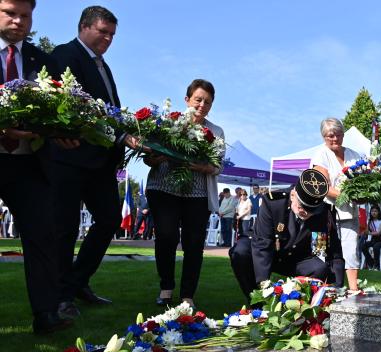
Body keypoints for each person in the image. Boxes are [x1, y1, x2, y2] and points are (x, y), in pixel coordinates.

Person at [47, 6, 141, 309]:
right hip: (70, 158)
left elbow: (108, 109)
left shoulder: (103, 66)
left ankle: (76, 282)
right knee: (65, 227)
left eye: (112, 34)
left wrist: (131, 133)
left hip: (100, 163)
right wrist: (119, 137)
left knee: (111, 218)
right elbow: (76, 108)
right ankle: (61, 296)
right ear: (84, 27)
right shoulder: (65, 56)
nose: (108, 39)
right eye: (103, 32)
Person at [0, 0, 77, 333]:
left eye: (25, 15)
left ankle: (46, 314)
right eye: (10, 13)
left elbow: (59, 109)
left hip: (30, 164)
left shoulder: (43, 63)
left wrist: (64, 133)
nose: (18, 20)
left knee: (43, 235)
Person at [145, 79, 225, 308]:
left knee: (194, 243)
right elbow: (149, 157)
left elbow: (217, 166)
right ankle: (166, 288)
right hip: (164, 189)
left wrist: (201, 166)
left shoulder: (216, 131)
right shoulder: (168, 122)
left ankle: (188, 294)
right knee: (167, 237)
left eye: (208, 102)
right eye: (198, 99)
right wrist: (158, 156)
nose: (202, 105)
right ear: (187, 100)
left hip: (197, 195)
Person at [229, 169, 345, 299]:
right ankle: (256, 303)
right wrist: (264, 287)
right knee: (240, 252)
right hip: (268, 250)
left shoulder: (322, 213)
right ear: (292, 195)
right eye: (302, 207)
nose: (305, 213)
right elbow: (263, 244)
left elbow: (325, 252)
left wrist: (338, 288)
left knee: (319, 267)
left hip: (296, 257)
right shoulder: (274, 203)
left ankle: (301, 305)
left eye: (311, 210)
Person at [311, 118, 365, 293]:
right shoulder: (321, 155)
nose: (335, 139)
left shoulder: (354, 155)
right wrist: (349, 195)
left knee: (351, 250)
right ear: (323, 136)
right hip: (324, 212)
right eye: (330, 136)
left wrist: (362, 196)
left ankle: (353, 290)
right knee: (321, 251)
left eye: (339, 134)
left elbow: (363, 182)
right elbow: (323, 186)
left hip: (349, 213)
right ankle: (318, 290)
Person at [360, 204, 381, 270]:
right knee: (363, 246)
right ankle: (371, 263)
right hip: (373, 240)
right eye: (372, 211)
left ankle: (377, 265)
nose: (374, 213)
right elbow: (366, 231)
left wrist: (369, 233)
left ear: (378, 212)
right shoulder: (370, 221)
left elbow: (379, 233)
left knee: (376, 247)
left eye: (375, 211)